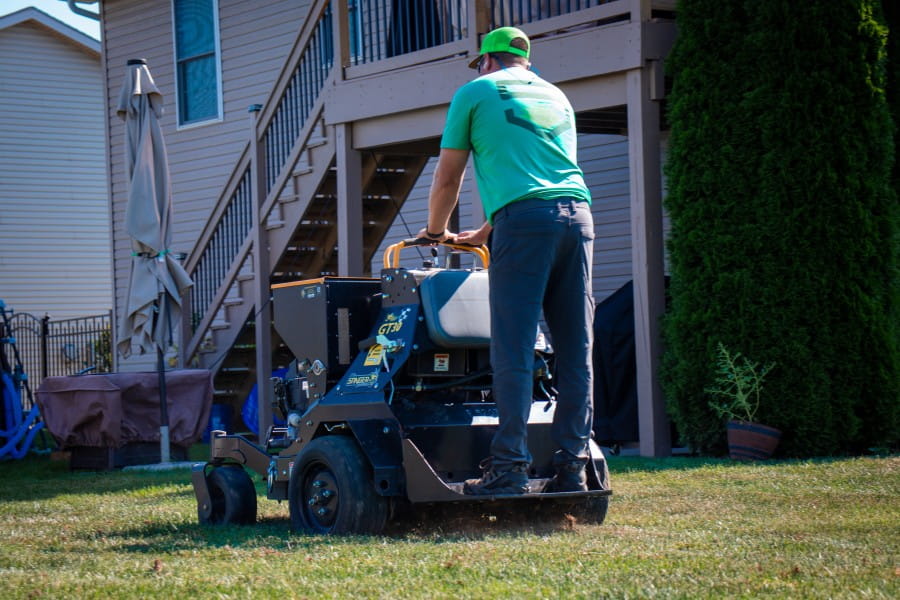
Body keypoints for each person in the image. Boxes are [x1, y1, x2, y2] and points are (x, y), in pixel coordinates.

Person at [417, 26, 595, 495]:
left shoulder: (475, 91)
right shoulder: (556, 96)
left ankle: (509, 470)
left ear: (488, 61)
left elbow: (448, 177)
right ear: (526, 63)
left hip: (525, 224)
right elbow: (542, 178)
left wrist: (435, 231)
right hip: (577, 219)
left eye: (480, 62)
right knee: (575, 348)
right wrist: (485, 231)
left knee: (513, 348)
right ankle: (572, 469)